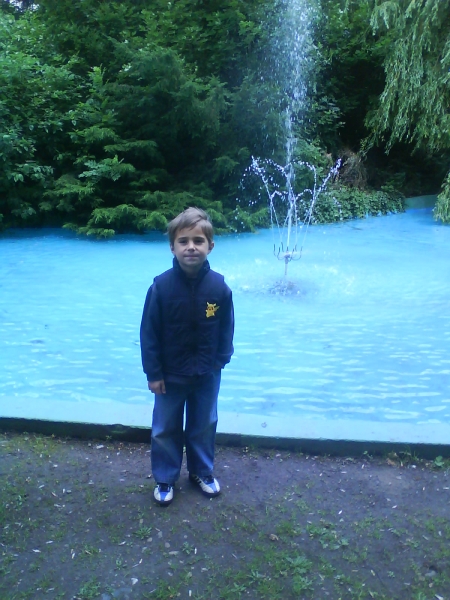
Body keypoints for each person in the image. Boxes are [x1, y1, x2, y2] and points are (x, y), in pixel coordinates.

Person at [140, 207, 234, 506]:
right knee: (165, 428)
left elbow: (227, 326)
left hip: (207, 372)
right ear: (172, 247)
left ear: (210, 246)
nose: (191, 247)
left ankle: (201, 471)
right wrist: (154, 373)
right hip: (170, 375)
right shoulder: (161, 287)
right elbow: (149, 333)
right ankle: (165, 477)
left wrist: (221, 359)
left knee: (204, 424)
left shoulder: (219, 286)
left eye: (198, 241)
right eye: (183, 241)